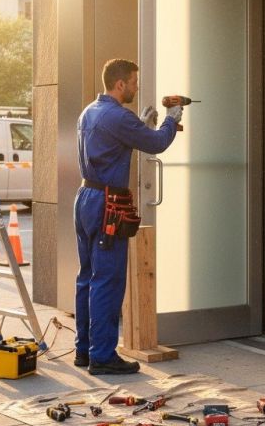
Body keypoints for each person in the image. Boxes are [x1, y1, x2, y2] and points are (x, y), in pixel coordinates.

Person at [74, 58, 183, 375]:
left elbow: (117, 140)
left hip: (84, 198)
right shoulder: (119, 116)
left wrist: (140, 123)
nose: (137, 86)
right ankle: (103, 357)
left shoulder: (90, 111)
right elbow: (157, 143)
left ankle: (84, 350)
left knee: (87, 278)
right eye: (134, 82)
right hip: (107, 201)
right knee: (108, 280)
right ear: (120, 84)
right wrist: (170, 119)